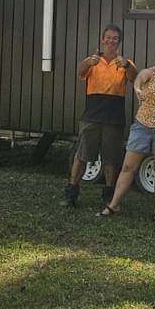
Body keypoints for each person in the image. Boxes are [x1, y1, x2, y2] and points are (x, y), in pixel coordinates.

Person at [97, 41, 155, 222]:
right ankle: (113, 205)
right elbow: (138, 80)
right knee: (128, 167)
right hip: (143, 126)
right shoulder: (148, 73)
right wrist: (138, 89)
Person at [65, 24, 136, 208]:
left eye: (115, 38)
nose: (111, 41)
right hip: (91, 116)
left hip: (114, 118)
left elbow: (135, 78)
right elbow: (80, 71)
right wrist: (89, 62)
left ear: (119, 42)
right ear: (103, 40)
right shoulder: (93, 60)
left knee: (110, 159)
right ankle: (71, 193)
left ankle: (108, 196)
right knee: (81, 156)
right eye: (108, 37)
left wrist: (127, 65)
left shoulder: (125, 62)